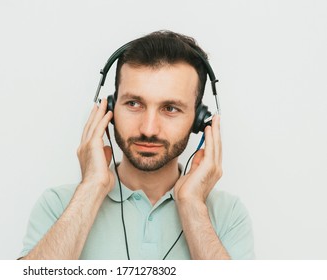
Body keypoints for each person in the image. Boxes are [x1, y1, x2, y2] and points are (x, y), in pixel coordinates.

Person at [19, 30, 254, 260]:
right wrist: (92, 188)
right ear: (108, 109)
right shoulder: (58, 204)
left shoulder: (228, 214)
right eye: (133, 104)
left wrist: (192, 205)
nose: (148, 129)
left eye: (170, 109)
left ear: (200, 120)